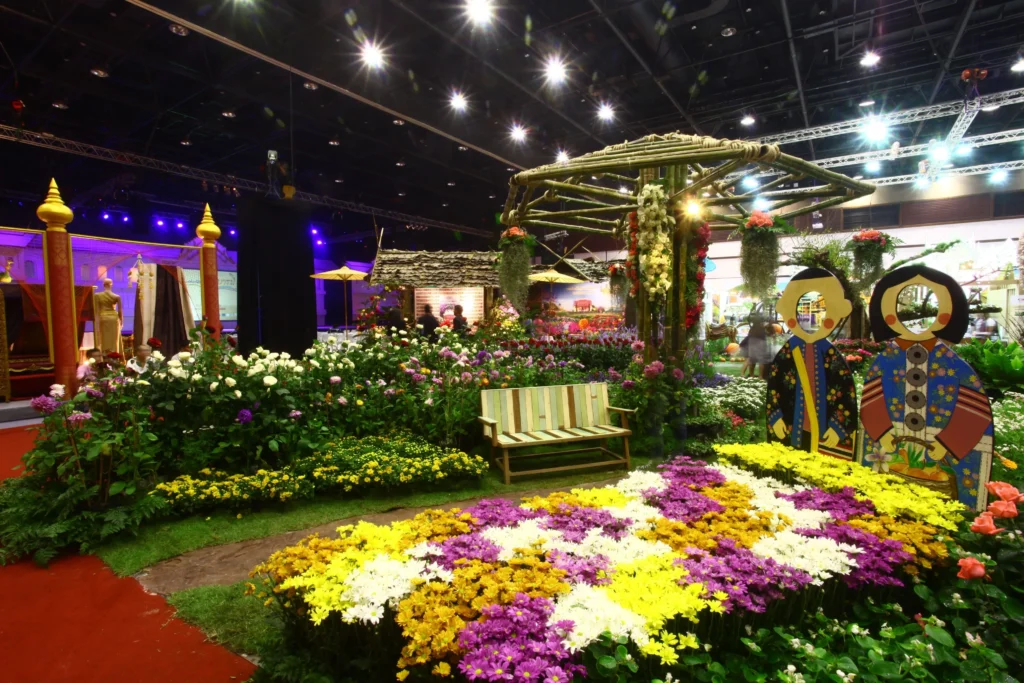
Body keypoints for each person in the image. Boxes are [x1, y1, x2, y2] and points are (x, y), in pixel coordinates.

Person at [860, 264, 993, 511]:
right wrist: (883, 432)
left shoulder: (953, 364)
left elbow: (973, 407)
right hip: (895, 442)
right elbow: (872, 398)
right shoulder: (886, 360)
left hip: (937, 447)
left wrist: (948, 442)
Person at [766, 268, 858, 460]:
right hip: (792, 426)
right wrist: (775, 417)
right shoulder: (787, 352)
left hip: (825, 432)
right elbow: (774, 386)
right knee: (790, 466)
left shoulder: (831, 355)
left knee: (821, 468)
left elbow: (845, 391)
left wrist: (837, 428)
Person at [93, 278, 123, 356]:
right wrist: (121, 321)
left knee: (104, 339)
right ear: (111, 285)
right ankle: (114, 355)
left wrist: (96, 323)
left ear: (104, 285)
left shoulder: (97, 295)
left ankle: (104, 356)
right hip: (114, 319)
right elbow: (120, 311)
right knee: (114, 339)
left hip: (103, 318)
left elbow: (96, 311)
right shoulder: (116, 296)